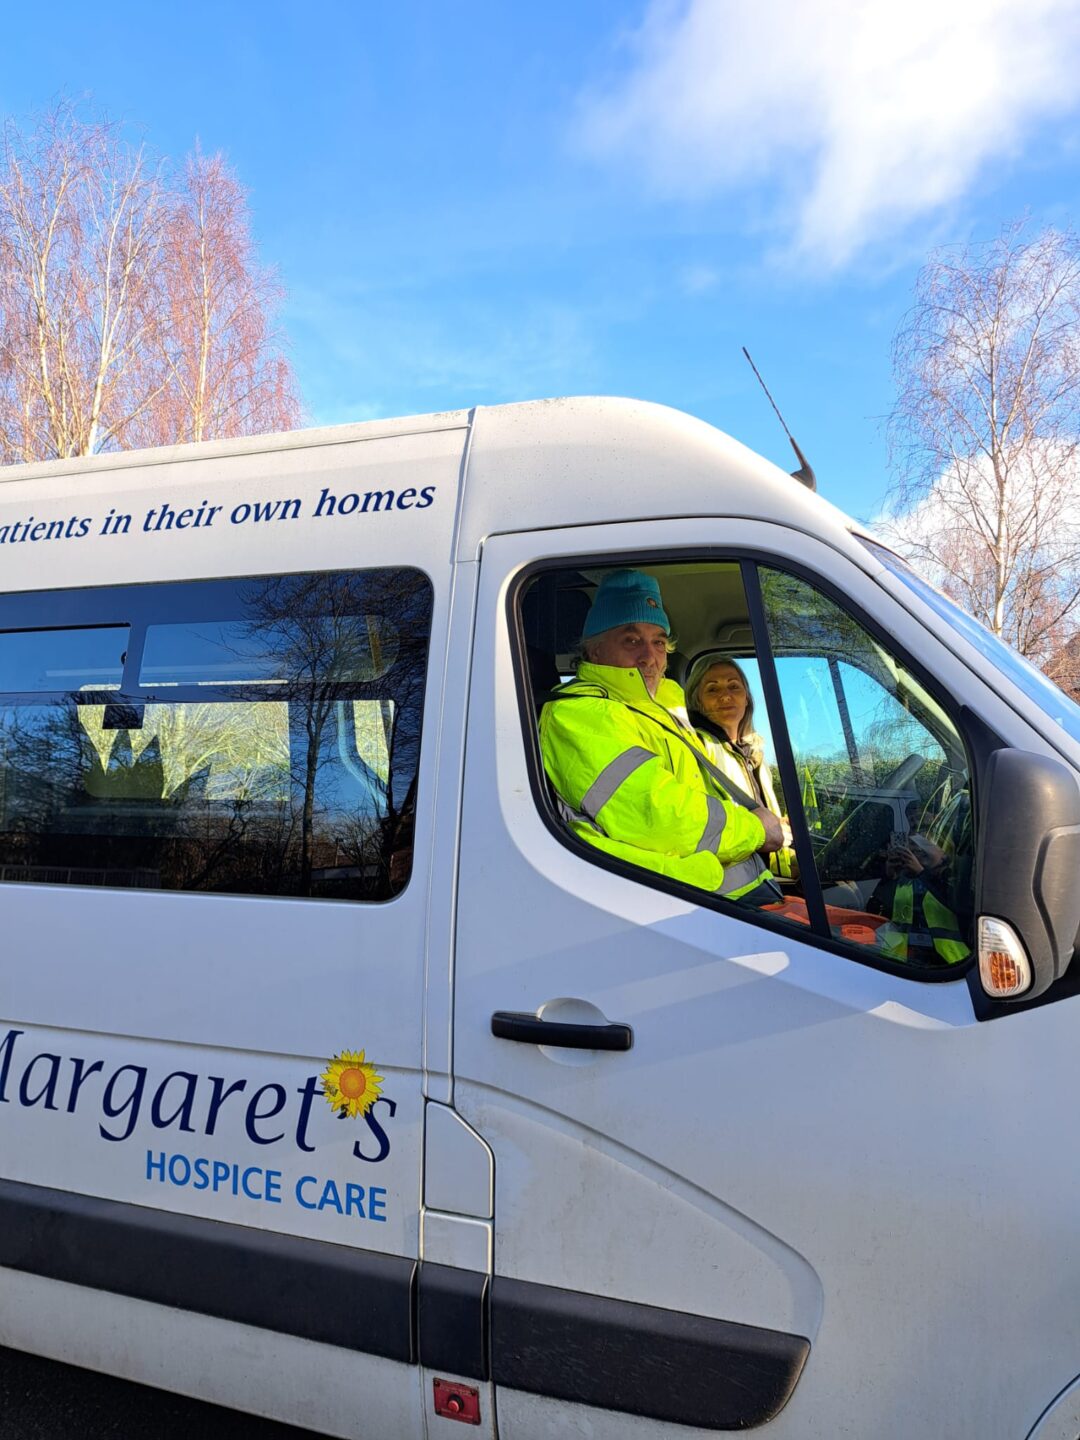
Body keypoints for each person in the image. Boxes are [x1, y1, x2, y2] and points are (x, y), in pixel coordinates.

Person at [538, 569, 784, 903]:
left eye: (658, 642)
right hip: (684, 906)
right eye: (631, 640)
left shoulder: (664, 708)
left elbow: (701, 799)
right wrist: (755, 830)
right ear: (594, 650)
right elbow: (657, 817)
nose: (649, 657)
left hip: (737, 893)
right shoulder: (579, 714)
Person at [684, 653, 798, 879]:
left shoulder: (755, 756)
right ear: (697, 701)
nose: (725, 696)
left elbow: (769, 835)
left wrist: (792, 861)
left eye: (734, 686)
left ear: (746, 698)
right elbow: (699, 823)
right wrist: (759, 831)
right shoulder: (697, 747)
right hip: (730, 886)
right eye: (712, 689)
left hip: (766, 878)